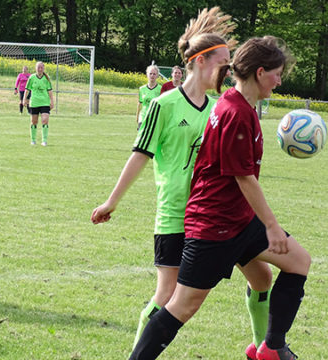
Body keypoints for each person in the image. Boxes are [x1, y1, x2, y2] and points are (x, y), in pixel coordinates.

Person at [91, 8, 272, 359]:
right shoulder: (164, 105)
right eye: (224, 62)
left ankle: (265, 348)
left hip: (216, 215)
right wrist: (112, 202)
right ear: (202, 61)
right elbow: (140, 155)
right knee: (167, 296)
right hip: (176, 212)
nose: (230, 69)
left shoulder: (220, 107)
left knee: (262, 278)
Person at [129, 36, 310, 360]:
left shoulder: (237, 104)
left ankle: (272, 347)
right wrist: (271, 225)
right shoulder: (236, 112)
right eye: (277, 73)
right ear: (259, 72)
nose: (280, 81)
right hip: (215, 226)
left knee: (297, 262)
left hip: (238, 220)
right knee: (182, 305)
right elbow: (244, 178)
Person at [23, 61, 54, 146]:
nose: (40, 69)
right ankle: (33, 140)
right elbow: (27, 89)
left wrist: (52, 101)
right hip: (34, 103)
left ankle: (44, 141)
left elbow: (50, 91)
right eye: (38, 67)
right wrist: (24, 99)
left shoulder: (46, 78)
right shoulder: (32, 78)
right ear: (35, 68)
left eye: (41, 67)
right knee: (34, 122)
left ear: (43, 68)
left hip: (44, 102)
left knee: (45, 120)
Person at [136, 64, 161, 130]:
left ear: (157, 75)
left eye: (154, 74)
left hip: (154, 117)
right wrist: (137, 117)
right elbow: (140, 104)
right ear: (147, 74)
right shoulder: (142, 89)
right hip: (143, 116)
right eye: (150, 73)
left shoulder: (160, 89)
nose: (152, 75)